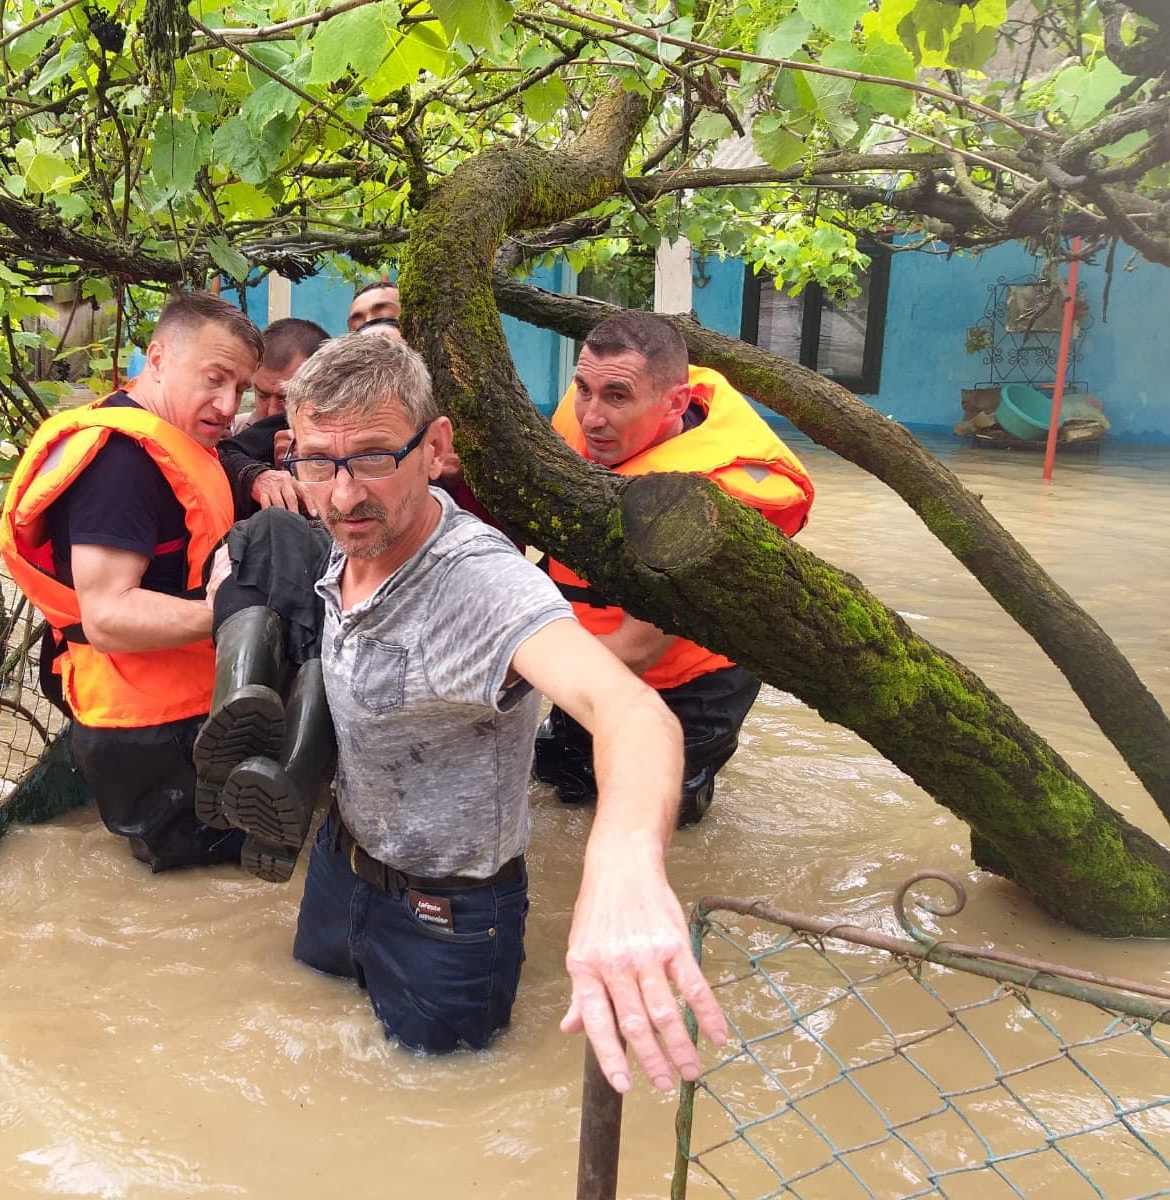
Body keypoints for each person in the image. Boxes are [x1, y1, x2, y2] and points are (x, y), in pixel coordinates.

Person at [200, 335, 726, 1093]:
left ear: (434, 447)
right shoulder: (343, 535)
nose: (345, 494)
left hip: (445, 916)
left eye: (377, 457)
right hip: (337, 867)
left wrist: (623, 865)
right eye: (319, 462)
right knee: (312, 1044)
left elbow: (629, 711)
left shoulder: (483, 586)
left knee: (441, 1098)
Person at [0, 291, 264, 872]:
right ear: (159, 358)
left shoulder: (169, 433)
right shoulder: (120, 466)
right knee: (197, 895)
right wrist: (241, 615)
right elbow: (108, 616)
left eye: (240, 389)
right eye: (215, 379)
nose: (227, 404)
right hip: (146, 728)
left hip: (174, 708)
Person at [535, 312, 815, 826]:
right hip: (587, 651)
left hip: (693, 686)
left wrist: (504, 666)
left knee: (659, 819)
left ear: (677, 404)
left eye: (617, 397)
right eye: (583, 389)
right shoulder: (588, 423)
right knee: (560, 781)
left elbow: (637, 652)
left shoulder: (714, 499)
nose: (592, 417)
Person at [219, 317, 327, 518]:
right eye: (262, 395)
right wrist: (255, 475)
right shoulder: (235, 427)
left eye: (285, 398)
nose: (271, 411)